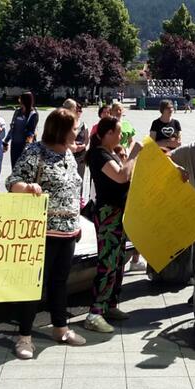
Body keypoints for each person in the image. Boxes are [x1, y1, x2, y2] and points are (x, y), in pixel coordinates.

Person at [7, 108, 87, 359]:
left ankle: (60, 328)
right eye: (74, 128)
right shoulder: (35, 153)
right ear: (61, 129)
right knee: (34, 284)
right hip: (41, 230)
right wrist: (28, 187)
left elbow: (73, 188)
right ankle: (24, 337)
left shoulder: (69, 154)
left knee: (60, 282)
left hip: (68, 230)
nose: (78, 132)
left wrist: (77, 222)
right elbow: (12, 182)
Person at [83, 116, 142, 333]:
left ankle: (110, 304)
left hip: (118, 214)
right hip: (108, 214)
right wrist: (134, 153)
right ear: (107, 134)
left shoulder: (109, 153)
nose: (121, 136)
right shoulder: (99, 155)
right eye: (118, 133)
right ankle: (94, 313)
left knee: (117, 261)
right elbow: (120, 176)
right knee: (107, 261)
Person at [4, 92, 38, 168]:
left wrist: (27, 146)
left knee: (23, 168)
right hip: (14, 144)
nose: (19, 101)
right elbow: (13, 127)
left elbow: (31, 132)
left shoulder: (33, 114)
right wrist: (6, 141)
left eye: (21, 99)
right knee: (14, 167)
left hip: (24, 146)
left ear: (25, 100)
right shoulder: (17, 112)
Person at [64, 99, 89, 192]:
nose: (77, 111)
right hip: (66, 154)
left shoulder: (80, 123)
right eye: (75, 109)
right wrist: (72, 147)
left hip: (79, 154)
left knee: (78, 178)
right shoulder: (65, 122)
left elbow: (86, 139)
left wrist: (81, 146)